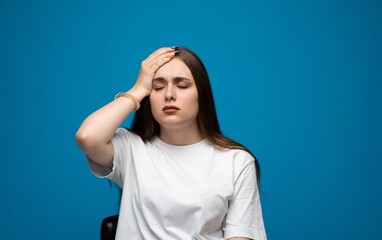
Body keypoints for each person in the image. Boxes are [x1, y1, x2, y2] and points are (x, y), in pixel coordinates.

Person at [76, 46, 267, 240]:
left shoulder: (237, 161)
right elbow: (88, 137)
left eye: (182, 85)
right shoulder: (131, 148)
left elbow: (241, 235)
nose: (169, 94)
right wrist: (139, 88)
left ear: (202, 94)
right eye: (157, 87)